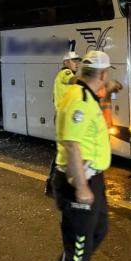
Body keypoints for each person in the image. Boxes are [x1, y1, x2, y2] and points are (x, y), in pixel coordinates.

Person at [46, 51, 114, 261]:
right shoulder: (80, 99)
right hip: (78, 179)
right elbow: (72, 143)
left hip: (92, 176)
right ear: (103, 74)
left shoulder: (85, 94)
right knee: (79, 249)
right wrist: (83, 187)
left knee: (99, 230)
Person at [46, 51, 82, 197]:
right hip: (64, 118)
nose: (77, 63)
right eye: (74, 61)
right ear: (66, 62)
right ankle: (53, 184)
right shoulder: (65, 73)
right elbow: (73, 80)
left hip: (67, 118)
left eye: (78, 61)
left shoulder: (68, 75)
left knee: (67, 151)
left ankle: (57, 184)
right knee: (64, 152)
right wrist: (90, 77)